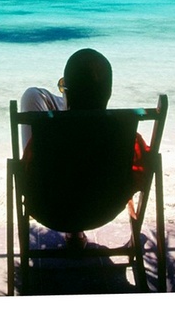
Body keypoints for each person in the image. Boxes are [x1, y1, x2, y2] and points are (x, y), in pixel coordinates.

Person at [19, 48, 148, 249]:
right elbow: (142, 175)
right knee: (35, 96)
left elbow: (26, 175)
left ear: (67, 94)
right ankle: (79, 113)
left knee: (31, 96)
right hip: (104, 209)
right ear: (109, 93)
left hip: (50, 209)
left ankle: (70, 111)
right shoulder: (127, 138)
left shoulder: (46, 139)